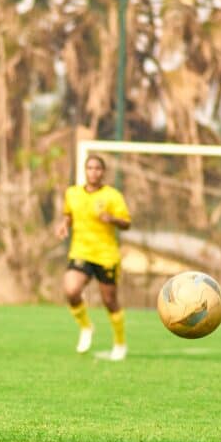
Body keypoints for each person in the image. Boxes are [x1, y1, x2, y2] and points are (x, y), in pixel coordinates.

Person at [55, 154, 131, 361]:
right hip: (80, 251)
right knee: (71, 291)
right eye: (90, 168)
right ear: (85, 171)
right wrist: (64, 225)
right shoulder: (73, 193)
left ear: (103, 172)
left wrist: (112, 219)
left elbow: (126, 223)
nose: (93, 172)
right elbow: (68, 214)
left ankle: (120, 343)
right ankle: (86, 327)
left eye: (97, 168)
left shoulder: (112, 196)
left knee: (109, 300)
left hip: (106, 255)